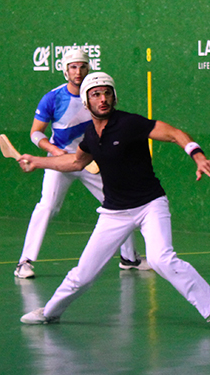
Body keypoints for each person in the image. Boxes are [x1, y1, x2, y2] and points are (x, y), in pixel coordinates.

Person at [15, 71, 210, 331]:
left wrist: (198, 156)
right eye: (96, 94)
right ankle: (51, 312)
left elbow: (175, 134)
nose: (103, 99)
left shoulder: (130, 124)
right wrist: (37, 161)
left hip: (149, 205)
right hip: (114, 212)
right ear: (87, 102)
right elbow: (75, 162)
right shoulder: (90, 135)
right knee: (84, 273)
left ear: (114, 97)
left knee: (161, 259)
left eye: (107, 93)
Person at [14, 48, 149, 279]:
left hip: (91, 161)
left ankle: (129, 259)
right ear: (65, 71)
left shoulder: (96, 96)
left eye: (83, 66)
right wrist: (52, 149)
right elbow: (36, 133)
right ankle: (24, 262)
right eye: (73, 67)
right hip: (61, 161)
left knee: (118, 204)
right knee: (47, 206)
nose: (78, 72)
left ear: (89, 68)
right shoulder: (53, 98)